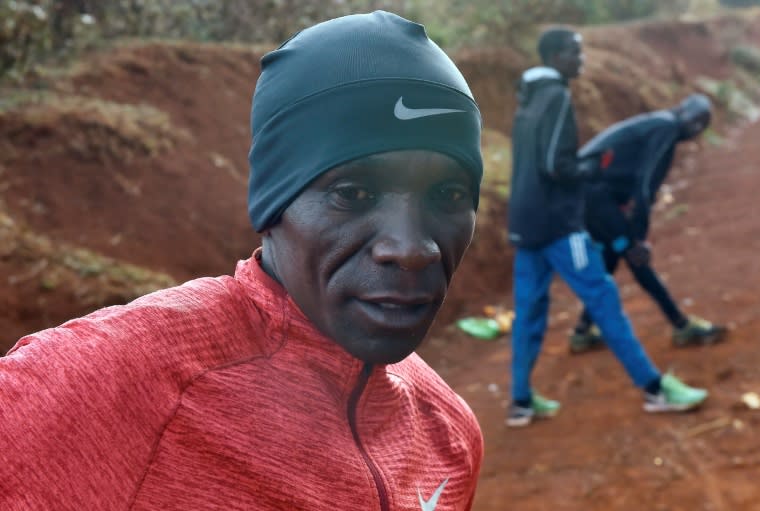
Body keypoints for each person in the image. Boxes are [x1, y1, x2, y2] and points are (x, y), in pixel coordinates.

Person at [0, 11, 484, 510]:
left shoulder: (445, 431)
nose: (410, 248)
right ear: (275, 203)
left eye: (448, 194)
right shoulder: (115, 384)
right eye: (352, 192)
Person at [505, 27, 709, 428]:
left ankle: (521, 402)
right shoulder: (557, 96)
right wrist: (592, 167)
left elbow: (533, 163)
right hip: (560, 224)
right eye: (575, 53)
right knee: (603, 297)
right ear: (557, 56)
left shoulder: (527, 100)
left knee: (529, 311)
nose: (581, 60)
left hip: (524, 222)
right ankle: (655, 389)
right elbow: (556, 166)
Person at [569, 94, 727, 353]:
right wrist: (638, 237)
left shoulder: (660, 125)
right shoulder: (666, 127)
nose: (697, 129)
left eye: (703, 125)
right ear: (685, 113)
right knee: (634, 254)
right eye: (697, 121)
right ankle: (681, 325)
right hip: (592, 192)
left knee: (611, 256)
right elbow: (644, 184)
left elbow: (639, 184)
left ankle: (581, 332)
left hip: (588, 192)